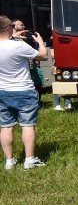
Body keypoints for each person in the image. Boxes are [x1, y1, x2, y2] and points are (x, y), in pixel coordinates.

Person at [0, 15, 48, 171]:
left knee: (6, 126)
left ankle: (9, 161)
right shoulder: (19, 47)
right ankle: (29, 159)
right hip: (24, 90)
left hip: (3, 91)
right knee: (27, 125)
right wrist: (40, 42)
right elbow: (43, 55)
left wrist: (13, 36)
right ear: (8, 28)